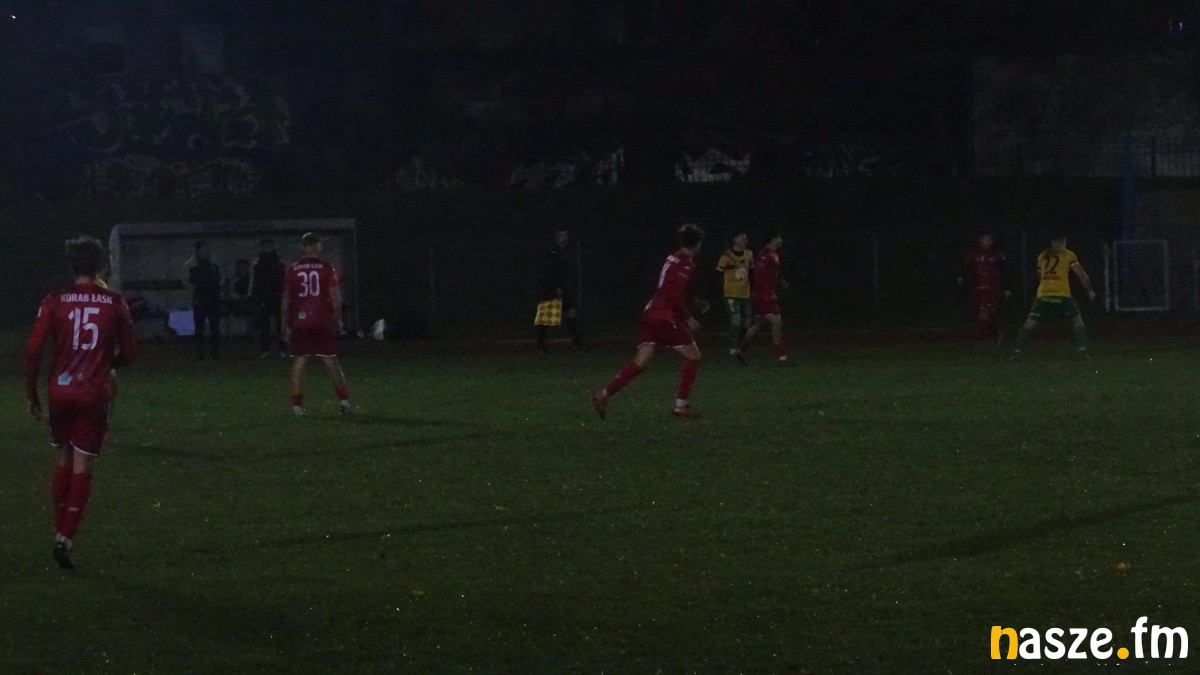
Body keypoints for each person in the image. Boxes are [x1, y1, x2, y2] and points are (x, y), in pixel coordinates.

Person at [22, 235, 139, 570]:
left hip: (60, 391)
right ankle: (66, 537)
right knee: (83, 464)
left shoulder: (54, 300)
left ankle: (59, 528)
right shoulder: (115, 302)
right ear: (100, 265)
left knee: (63, 456)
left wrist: (31, 395)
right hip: (93, 392)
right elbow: (131, 353)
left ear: (72, 266)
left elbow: (32, 351)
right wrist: (105, 363)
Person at [592, 223, 706, 419]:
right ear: (697, 243)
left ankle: (603, 394)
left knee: (641, 362)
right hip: (665, 317)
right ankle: (681, 405)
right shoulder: (686, 264)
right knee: (693, 356)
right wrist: (688, 317)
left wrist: (695, 302)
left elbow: (671, 289)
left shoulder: (672, 257)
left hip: (651, 312)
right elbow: (675, 295)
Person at [282, 232, 352, 415]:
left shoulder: (293, 269)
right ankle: (344, 401)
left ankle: (297, 405)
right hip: (322, 320)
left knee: (300, 361)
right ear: (318, 246)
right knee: (330, 361)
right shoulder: (327, 267)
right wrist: (338, 319)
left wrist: (285, 324)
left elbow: (286, 300)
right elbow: (335, 297)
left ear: (303, 247)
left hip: (301, 321)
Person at [1012, 233, 1096, 358]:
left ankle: (1017, 351)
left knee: (1030, 322)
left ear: (1052, 242)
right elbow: (1081, 274)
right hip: (1062, 293)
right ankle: (1082, 350)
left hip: (1044, 293)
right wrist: (1089, 290)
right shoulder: (1068, 255)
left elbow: (1039, 277)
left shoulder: (1042, 255)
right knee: (1076, 319)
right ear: (1064, 241)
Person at [740, 229, 790, 365]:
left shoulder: (773, 255)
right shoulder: (765, 255)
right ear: (773, 239)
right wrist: (769, 293)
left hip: (762, 295)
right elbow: (759, 277)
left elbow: (771, 274)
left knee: (758, 324)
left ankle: (740, 351)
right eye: (779, 238)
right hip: (763, 296)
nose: (781, 240)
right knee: (777, 321)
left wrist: (780, 281)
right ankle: (781, 356)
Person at [536, 227, 587, 353]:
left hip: (565, 287)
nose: (564, 238)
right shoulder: (552, 251)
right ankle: (540, 345)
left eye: (565, 236)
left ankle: (577, 344)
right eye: (561, 236)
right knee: (547, 316)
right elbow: (550, 271)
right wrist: (556, 286)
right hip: (552, 287)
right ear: (556, 237)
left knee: (571, 313)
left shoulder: (567, 251)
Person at [959, 233, 1009, 344]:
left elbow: (1005, 271)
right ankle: (988, 333)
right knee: (980, 311)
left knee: (988, 311)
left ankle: (991, 333)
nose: (986, 242)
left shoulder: (997, 254)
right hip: (977, 288)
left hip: (992, 288)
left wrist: (1007, 287)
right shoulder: (973, 254)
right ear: (980, 241)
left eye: (988, 240)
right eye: (984, 240)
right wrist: (962, 278)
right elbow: (967, 268)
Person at [716, 230, 754, 363]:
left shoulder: (749, 254)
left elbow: (752, 273)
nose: (745, 240)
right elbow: (717, 274)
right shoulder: (726, 256)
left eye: (746, 238)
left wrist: (753, 288)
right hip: (731, 294)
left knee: (746, 324)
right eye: (742, 238)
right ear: (735, 240)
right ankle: (732, 351)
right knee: (736, 320)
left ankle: (738, 348)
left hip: (745, 295)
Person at [184, 240, 221, 360]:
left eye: (207, 247)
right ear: (198, 249)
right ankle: (199, 353)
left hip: (213, 298)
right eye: (204, 247)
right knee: (199, 326)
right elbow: (186, 282)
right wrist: (195, 293)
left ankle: (214, 352)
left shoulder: (214, 263)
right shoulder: (191, 264)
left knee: (215, 326)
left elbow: (219, 278)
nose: (206, 250)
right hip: (199, 298)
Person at [250, 238, 287, 358]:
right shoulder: (257, 261)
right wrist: (255, 295)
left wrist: (284, 293)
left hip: (277, 294)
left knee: (280, 323)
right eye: (266, 246)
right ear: (262, 247)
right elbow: (254, 280)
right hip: (263, 296)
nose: (269, 248)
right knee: (264, 324)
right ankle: (265, 349)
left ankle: (282, 348)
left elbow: (284, 277)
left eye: (270, 245)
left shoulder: (279, 260)